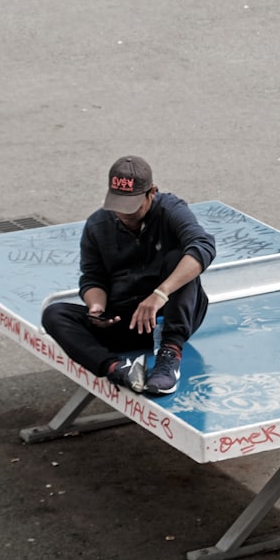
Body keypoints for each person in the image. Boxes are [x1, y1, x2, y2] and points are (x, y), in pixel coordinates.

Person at [42, 156, 216, 395]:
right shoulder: (97, 224)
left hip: (169, 316)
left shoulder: (171, 210)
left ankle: (169, 355)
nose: (125, 214)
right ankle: (118, 369)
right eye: (119, 205)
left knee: (181, 259)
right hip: (125, 321)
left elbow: (203, 246)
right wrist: (97, 308)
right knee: (54, 313)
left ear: (152, 192)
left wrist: (160, 294)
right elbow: (92, 277)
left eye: (133, 206)